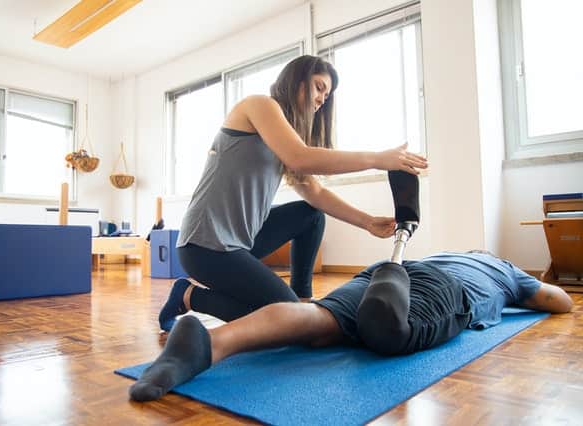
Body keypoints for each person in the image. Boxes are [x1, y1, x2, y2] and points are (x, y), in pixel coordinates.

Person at [159, 55, 428, 331]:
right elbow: (300, 158)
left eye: (328, 93)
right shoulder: (259, 105)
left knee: (311, 215)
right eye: (320, 87)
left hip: (242, 242)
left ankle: (302, 299)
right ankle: (190, 296)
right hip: (204, 245)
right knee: (291, 324)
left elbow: (314, 191)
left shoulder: (284, 135)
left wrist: (367, 222)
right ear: (298, 80)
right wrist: (376, 159)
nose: (323, 98)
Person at [130, 250, 572, 402]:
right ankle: (386, 309)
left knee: (318, 318)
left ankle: (212, 342)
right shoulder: (505, 271)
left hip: (397, 266)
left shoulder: (446, 253)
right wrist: (519, 280)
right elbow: (560, 303)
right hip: (446, 289)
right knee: (394, 334)